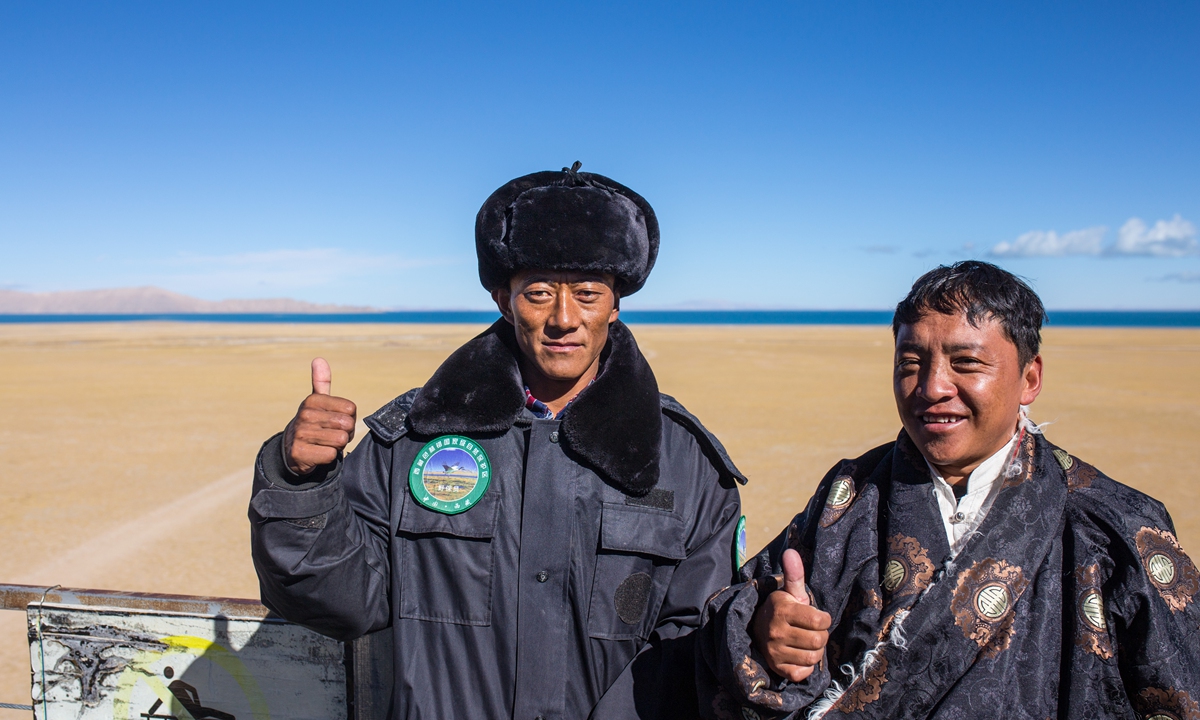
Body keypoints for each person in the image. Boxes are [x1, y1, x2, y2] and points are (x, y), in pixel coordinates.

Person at [249, 162, 745, 718]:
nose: (563, 318)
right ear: (503, 300)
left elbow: (694, 644)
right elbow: (339, 601)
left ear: (615, 304)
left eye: (586, 293)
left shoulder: (681, 461)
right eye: (537, 293)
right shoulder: (414, 437)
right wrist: (302, 483)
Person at [697, 261, 1200, 719]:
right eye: (910, 363)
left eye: (966, 363)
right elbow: (729, 613)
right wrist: (764, 628)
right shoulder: (847, 496)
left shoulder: (1114, 525)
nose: (932, 387)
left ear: (1030, 378)